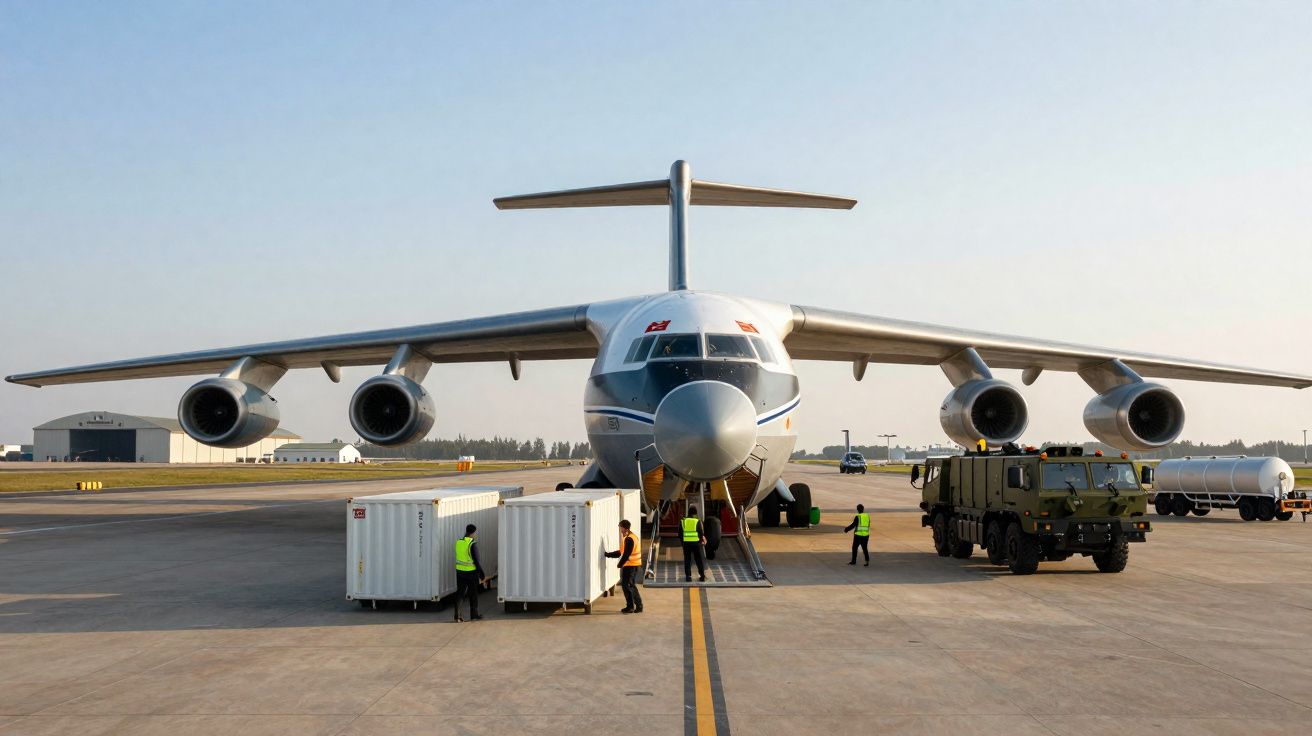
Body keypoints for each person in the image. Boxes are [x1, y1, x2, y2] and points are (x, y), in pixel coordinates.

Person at [604, 519, 644, 613]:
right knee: (631, 585)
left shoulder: (629, 539)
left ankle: (631, 607)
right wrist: (608, 554)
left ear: (624, 528)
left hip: (630, 566)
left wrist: (620, 564)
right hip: (633, 565)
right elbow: (620, 552)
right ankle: (638, 606)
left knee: (627, 586)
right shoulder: (630, 537)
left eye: (620, 527)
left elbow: (626, 554)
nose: (620, 529)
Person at [454, 523, 486, 622]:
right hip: (471, 573)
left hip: (459, 572)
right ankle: (474, 615)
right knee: (473, 594)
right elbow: (476, 560)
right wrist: (481, 573)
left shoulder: (458, 542)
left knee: (460, 594)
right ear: (473, 533)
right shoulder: (472, 544)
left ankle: (457, 616)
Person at [682, 505, 707, 582]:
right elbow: (701, 533)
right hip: (696, 544)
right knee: (698, 559)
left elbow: (680, 534)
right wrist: (701, 541)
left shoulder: (683, 521)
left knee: (687, 559)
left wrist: (683, 542)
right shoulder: (697, 521)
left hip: (686, 544)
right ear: (695, 513)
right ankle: (702, 576)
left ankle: (688, 577)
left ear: (688, 513)